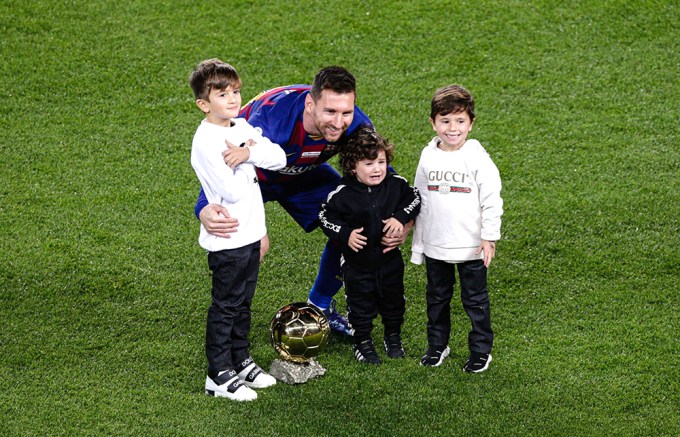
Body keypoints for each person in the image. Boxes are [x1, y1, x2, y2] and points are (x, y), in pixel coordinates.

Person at [194, 66, 406, 335]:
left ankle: (320, 306)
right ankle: (229, 331)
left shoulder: (356, 125)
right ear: (310, 104)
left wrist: (401, 219)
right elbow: (220, 167)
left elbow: (381, 177)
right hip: (253, 177)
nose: (339, 122)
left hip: (305, 175)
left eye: (346, 112)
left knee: (362, 219)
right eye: (330, 112)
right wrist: (203, 208)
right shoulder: (270, 121)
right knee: (238, 248)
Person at [189, 59, 287, 401]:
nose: (232, 99)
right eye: (222, 94)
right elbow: (231, 192)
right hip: (227, 239)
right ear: (204, 103)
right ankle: (218, 374)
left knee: (244, 302)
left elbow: (279, 158)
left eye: (236, 91)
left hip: (249, 235)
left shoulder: (241, 126)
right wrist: (252, 157)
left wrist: (246, 153)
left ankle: (240, 360)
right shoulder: (205, 141)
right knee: (226, 305)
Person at [410, 84, 503, 373]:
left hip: (472, 248)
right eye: (445, 121)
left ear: (471, 124)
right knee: (437, 299)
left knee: (475, 302)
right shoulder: (427, 157)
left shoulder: (477, 158)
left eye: (460, 121)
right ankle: (437, 345)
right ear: (433, 122)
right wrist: (418, 245)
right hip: (437, 245)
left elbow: (492, 200)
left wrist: (489, 237)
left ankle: (480, 350)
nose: (453, 128)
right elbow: (419, 199)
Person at [319, 126, 421, 364]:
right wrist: (346, 234)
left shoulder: (396, 184)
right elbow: (324, 217)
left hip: (390, 261)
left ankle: (393, 338)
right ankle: (363, 343)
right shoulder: (342, 194)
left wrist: (400, 218)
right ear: (353, 167)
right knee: (360, 305)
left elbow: (415, 198)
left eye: (381, 162)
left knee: (394, 301)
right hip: (357, 265)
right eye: (368, 164)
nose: (377, 169)